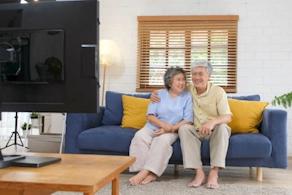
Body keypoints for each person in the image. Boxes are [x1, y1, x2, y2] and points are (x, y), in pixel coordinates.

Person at [151, 60, 232, 189]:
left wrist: (212, 122)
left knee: (223, 127)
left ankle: (214, 173)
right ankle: (199, 173)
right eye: (194, 74)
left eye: (201, 74)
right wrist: (154, 94)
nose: (197, 77)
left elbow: (227, 117)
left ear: (208, 75)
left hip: (213, 131)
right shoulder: (187, 89)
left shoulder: (218, 92)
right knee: (184, 128)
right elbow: (170, 89)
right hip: (195, 131)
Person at [129, 66, 194, 186]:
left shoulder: (187, 97)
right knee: (139, 136)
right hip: (154, 126)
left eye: (183, 79)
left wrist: (169, 129)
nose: (182, 83)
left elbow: (188, 120)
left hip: (172, 130)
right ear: (169, 82)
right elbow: (150, 116)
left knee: (161, 141)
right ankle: (141, 170)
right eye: (178, 79)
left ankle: (147, 173)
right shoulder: (158, 94)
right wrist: (163, 125)